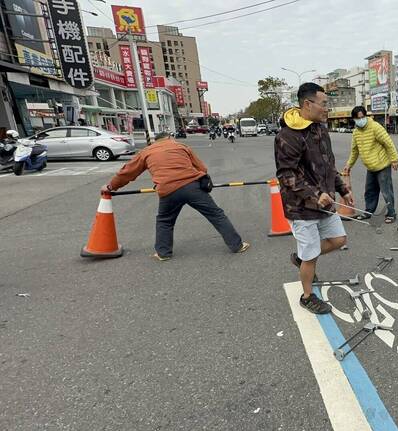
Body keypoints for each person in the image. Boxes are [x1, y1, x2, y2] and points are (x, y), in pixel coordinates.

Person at [101, 131, 249, 261]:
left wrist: (110, 187)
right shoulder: (181, 146)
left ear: (155, 141)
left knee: (165, 221)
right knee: (216, 215)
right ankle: (237, 245)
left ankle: (163, 253)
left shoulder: (146, 152)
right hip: (192, 187)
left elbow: (128, 173)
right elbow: (202, 168)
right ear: (169, 138)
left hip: (168, 190)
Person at [275, 83, 354, 315]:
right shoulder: (287, 135)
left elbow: (328, 164)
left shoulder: (320, 128)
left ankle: (302, 259)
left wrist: (343, 189)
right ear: (307, 104)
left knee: (339, 239)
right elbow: (286, 175)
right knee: (310, 255)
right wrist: (314, 194)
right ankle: (307, 296)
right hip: (301, 207)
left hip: (325, 201)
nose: (326, 108)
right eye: (324, 104)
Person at [342, 106, 398, 224]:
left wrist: (394, 159)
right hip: (370, 167)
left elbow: (388, 143)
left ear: (366, 116)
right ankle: (368, 211)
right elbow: (355, 151)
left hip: (382, 164)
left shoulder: (375, 127)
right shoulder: (356, 132)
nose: (361, 120)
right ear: (354, 119)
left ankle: (391, 213)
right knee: (369, 191)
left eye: (363, 117)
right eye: (358, 118)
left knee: (386, 191)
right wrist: (349, 165)